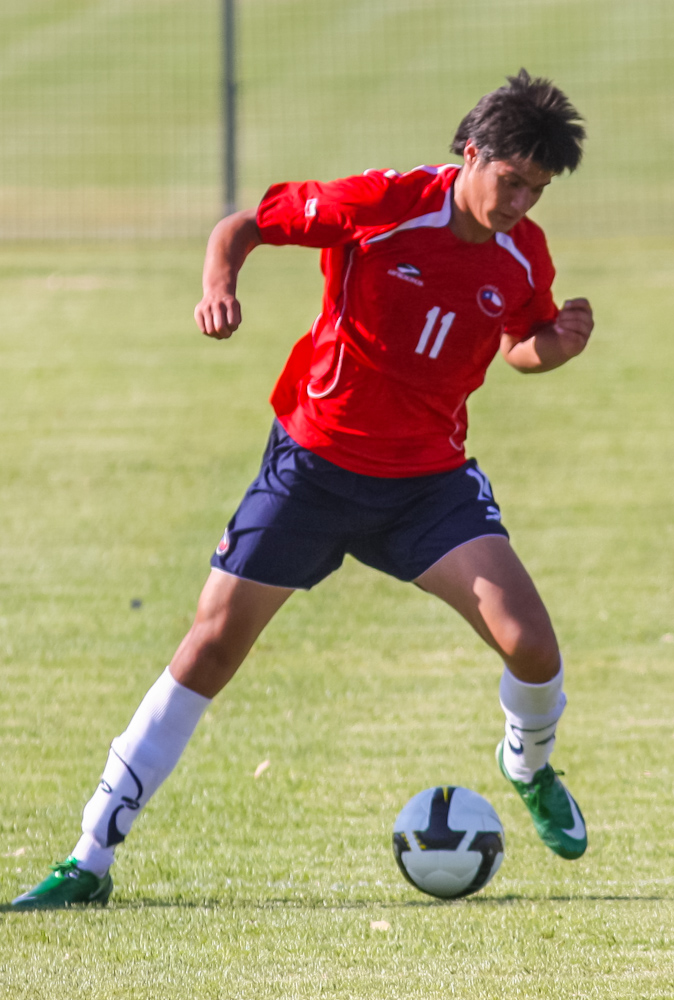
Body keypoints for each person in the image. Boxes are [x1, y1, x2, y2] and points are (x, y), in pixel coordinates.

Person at [13, 69, 593, 909]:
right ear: (473, 153)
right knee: (209, 648)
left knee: (532, 645)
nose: (521, 204)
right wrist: (219, 284)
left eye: (538, 191)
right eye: (512, 182)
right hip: (313, 470)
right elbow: (242, 226)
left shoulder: (521, 250)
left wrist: (557, 347)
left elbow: (520, 340)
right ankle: (89, 859)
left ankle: (527, 765)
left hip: (427, 483)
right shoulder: (382, 204)